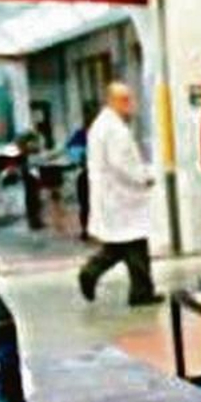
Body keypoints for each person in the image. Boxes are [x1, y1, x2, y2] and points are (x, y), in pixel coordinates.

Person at [77, 83, 162, 307]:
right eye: (126, 100)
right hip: (122, 198)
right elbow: (123, 164)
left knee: (122, 245)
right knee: (133, 244)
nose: (131, 105)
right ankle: (137, 290)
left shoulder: (104, 125)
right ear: (115, 101)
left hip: (116, 199)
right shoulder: (114, 130)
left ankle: (135, 288)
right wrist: (145, 177)